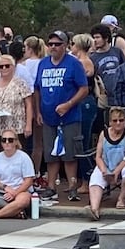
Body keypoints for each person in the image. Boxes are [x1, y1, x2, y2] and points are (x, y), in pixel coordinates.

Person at [37, 31, 89, 202]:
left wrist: (69, 104)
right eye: (50, 43)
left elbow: (84, 89)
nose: (53, 47)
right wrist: (38, 111)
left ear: (65, 46)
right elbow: (37, 88)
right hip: (48, 118)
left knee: (70, 154)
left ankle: (73, 186)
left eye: (57, 44)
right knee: (50, 155)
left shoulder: (74, 64)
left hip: (70, 117)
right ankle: (51, 187)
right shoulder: (43, 63)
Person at [87, 108, 125, 219]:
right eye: (115, 120)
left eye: (121, 120)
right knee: (96, 177)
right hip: (107, 164)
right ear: (110, 122)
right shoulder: (104, 133)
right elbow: (98, 157)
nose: (118, 123)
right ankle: (94, 209)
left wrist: (116, 172)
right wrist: (104, 171)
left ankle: (121, 198)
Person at [0, 129, 36, 220]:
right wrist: (4, 187)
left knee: (23, 200)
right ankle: (14, 213)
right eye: (4, 140)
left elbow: (29, 181)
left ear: (16, 142)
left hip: (21, 191)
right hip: (2, 191)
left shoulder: (24, 157)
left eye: (10, 140)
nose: (7, 142)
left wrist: (15, 193)